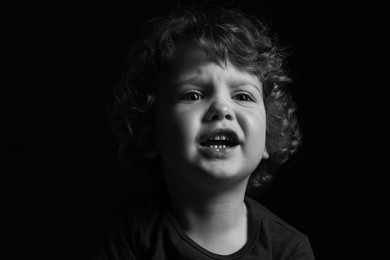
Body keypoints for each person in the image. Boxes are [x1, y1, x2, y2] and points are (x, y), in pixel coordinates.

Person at [91, 5, 315, 260]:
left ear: (269, 136)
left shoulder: (288, 250)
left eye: (242, 96)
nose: (221, 107)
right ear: (149, 130)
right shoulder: (131, 233)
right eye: (193, 95)